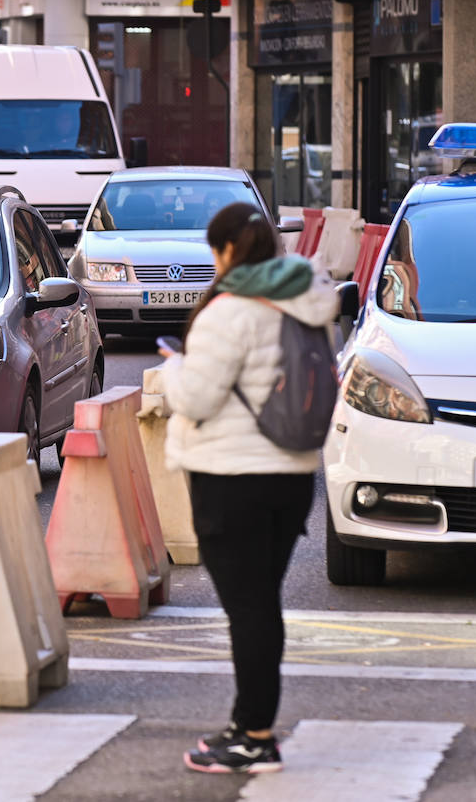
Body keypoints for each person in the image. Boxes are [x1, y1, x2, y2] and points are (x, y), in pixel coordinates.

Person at [156, 202, 337, 775]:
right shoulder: (310, 304)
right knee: (262, 605)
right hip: (291, 477)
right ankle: (247, 722)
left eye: (214, 251)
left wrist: (173, 368)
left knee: (249, 609)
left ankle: (255, 738)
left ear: (228, 251)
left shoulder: (229, 311)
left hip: (232, 480)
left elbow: (196, 399)